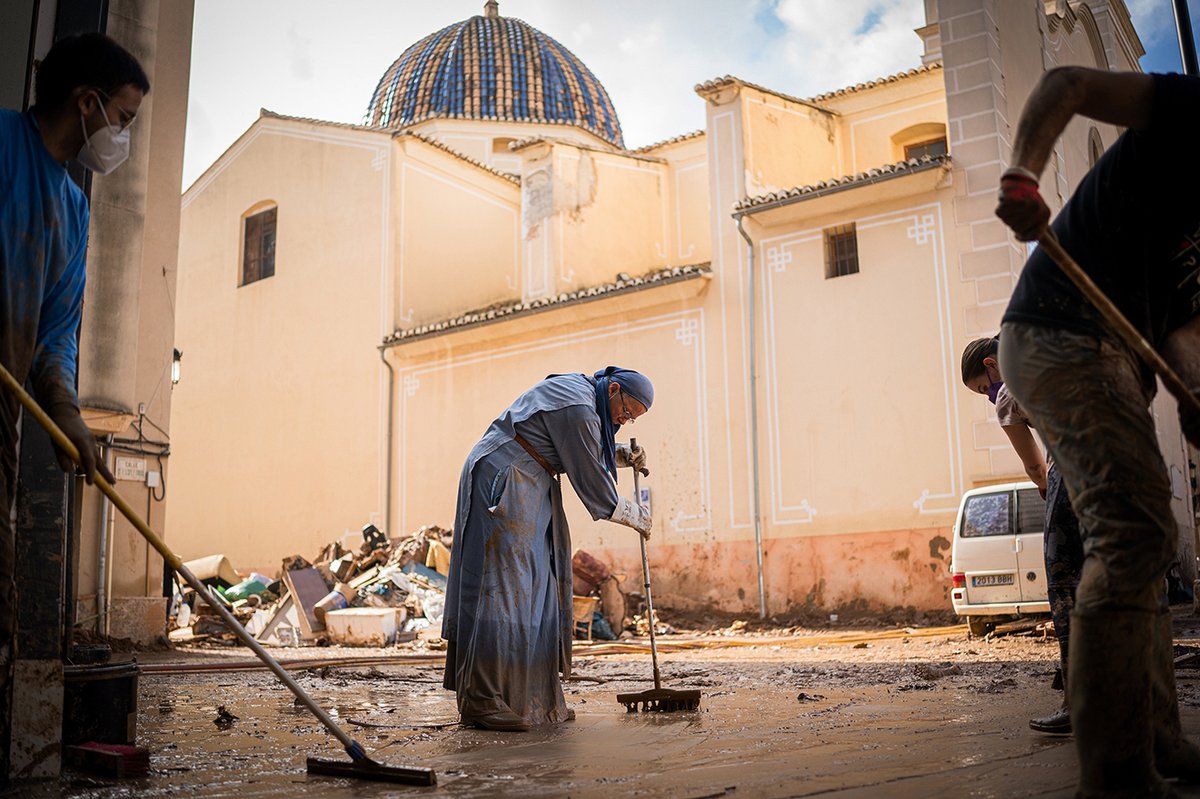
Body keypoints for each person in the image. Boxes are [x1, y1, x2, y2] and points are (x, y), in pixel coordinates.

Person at [995, 66, 1200, 795]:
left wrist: (1195, 391)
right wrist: (1022, 172)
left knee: (1145, 543)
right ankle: (1115, 775)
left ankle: (1158, 738)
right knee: (1135, 532)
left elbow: (1181, 322)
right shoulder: (1190, 106)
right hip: (1060, 330)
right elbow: (1066, 81)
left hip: (1115, 355)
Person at [0, 32, 143, 780]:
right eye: (122, 118)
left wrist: (67, 415)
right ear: (86, 103)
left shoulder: (73, 211)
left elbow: (54, 339)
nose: (121, 136)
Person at [442, 366, 654, 731]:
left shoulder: (586, 398)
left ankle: (536, 701)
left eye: (632, 419)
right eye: (627, 410)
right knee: (503, 589)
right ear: (614, 388)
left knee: (540, 589)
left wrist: (619, 453)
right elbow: (595, 485)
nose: (624, 419)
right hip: (505, 475)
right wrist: (635, 515)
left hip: (532, 479)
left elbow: (581, 442)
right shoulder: (579, 404)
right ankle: (484, 699)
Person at [961, 336, 1082, 735]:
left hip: (1074, 463)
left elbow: (1035, 468)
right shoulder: (1050, 352)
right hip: (1121, 452)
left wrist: (1052, 499)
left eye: (983, 387)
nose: (987, 396)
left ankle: (1078, 703)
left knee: (1065, 585)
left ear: (993, 365)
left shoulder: (1009, 392)